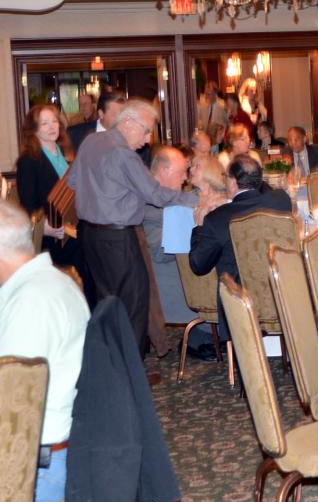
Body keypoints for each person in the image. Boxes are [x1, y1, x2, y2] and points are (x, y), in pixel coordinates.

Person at [68, 99, 191, 352]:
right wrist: (195, 200)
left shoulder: (90, 141)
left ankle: (112, 360)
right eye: (146, 131)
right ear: (127, 122)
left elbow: (73, 182)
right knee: (134, 302)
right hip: (117, 239)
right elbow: (156, 195)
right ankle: (131, 365)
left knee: (108, 302)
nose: (147, 140)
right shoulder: (123, 154)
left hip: (89, 236)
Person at [0, 201, 90, 502]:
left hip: (36, 470)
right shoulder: (51, 281)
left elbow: (11, 403)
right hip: (48, 450)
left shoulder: (31, 304)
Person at [141, 147, 212, 361]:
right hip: (174, 281)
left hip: (181, 272)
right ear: (164, 170)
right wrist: (198, 231)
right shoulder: (149, 204)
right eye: (182, 172)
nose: (185, 178)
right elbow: (161, 253)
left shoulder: (165, 197)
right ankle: (208, 336)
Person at [188, 154, 293, 292]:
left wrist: (198, 225)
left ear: (233, 182)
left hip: (240, 298)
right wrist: (228, 200)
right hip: (280, 292)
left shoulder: (216, 219)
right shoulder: (281, 199)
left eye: (225, 177)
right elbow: (263, 190)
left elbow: (198, 265)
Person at [16, 104, 76, 266]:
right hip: (51, 238)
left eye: (54, 121)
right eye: (44, 123)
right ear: (33, 130)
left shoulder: (65, 154)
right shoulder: (28, 160)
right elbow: (27, 206)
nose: (52, 126)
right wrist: (44, 229)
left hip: (71, 227)